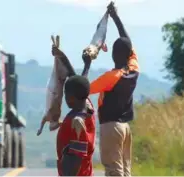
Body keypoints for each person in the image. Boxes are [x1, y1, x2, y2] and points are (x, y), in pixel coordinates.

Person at [88, 3, 139, 176]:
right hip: (125, 128)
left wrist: (87, 61)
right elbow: (128, 43)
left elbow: (83, 88)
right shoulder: (133, 69)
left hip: (111, 127)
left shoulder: (111, 78)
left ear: (112, 55)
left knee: (113, 170)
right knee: (125, 170)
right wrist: (116, 18)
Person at [52, 46, 96, 176]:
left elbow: (75, 158)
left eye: (65, 94)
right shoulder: (88, 107)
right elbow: (79, 81)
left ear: (71, 98)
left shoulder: (77, 123)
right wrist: (63, 57)